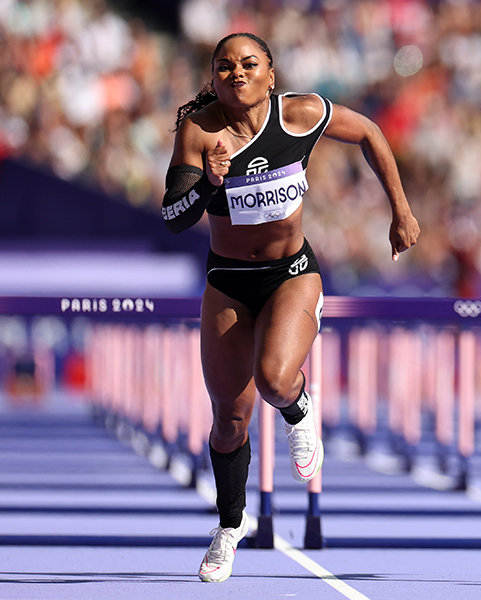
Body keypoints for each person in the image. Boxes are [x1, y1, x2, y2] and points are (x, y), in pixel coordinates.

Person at [161, 32, 419, 582]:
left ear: (271, 75)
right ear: (213, 79)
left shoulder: (302, 115)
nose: (237, 73)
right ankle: (229, 529)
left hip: (291, 274)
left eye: (249, 64)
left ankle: (300, 408)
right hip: (228, 283)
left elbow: (370, 133)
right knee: (229, 419)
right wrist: (209, 184)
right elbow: (174, 216)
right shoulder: (200, 131)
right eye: (224, 66)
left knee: (276, 381)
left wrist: (399, 209)